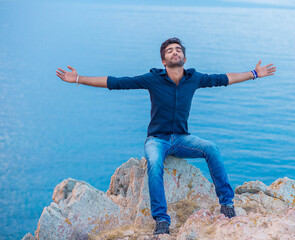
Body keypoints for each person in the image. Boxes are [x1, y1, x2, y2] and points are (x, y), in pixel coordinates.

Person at [56, 37, 276, 235]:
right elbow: (116, 82)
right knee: (154, 162)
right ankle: (162, 220)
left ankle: (227, 204)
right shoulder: (153, 78)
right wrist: (78, 79)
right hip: (157, 140)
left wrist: (255, 73)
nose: (174, 52)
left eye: (178, 49)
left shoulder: (194, 78)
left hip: (182, 139)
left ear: (184, 57)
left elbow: (224, 78)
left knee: (211, 148)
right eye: (170, 50)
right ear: (163, 60)